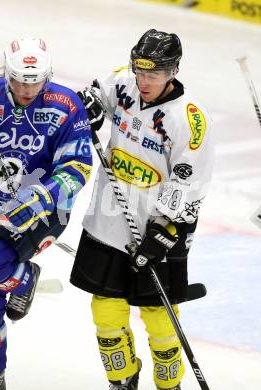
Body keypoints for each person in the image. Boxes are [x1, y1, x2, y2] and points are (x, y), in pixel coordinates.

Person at [0, 36, 92, 389]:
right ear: (6, 73)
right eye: (20, 81)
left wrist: (43, 197)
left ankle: (21, 276)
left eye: (35, 81)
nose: (28, 89)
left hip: (45, 210)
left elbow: (79, 166)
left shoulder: (64, 104)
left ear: (48, 74)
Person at [71, 29, 214, 390]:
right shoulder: (123, 82)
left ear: (173, 71)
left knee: (160, 318)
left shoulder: (189, 119)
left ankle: (170, 385)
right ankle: (122, 378)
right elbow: (90, 98)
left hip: (157, 229)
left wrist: (164, 231)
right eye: (140, 71)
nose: (144, 81)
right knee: (105, 310)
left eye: (153, 74)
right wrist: (84, 106)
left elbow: (190, 183)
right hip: (109, 222)